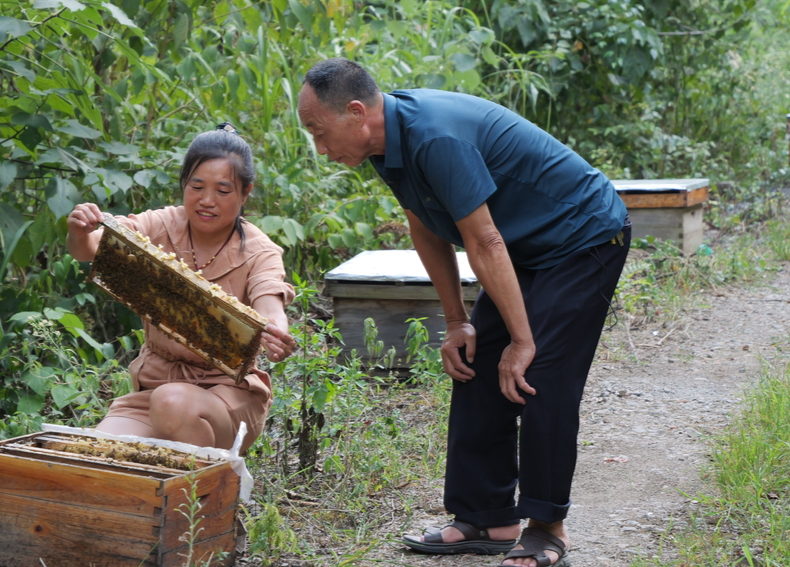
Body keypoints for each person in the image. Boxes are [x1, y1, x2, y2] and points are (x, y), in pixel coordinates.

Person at [297, 58, 631, 567]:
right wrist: (458, 322)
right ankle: (487, 517)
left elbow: (484, 239)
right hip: (527, 247)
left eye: (319, 133)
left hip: (582, 235)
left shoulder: (433, 138)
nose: (320, 149)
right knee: (476, 360)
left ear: (357, 112)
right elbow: (426, 228)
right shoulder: (387, 145)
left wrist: (522, 341)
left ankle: (546, 527)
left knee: (538, 372)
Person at [65, 125, 296, 453]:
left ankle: (207, 500)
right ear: (183, 184)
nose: (206, 201)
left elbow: (269, 301)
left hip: (226, 393)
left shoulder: (260, 249)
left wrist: (276, 331)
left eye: (223, 191)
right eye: (196, 186)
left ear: (245, 193)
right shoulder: (160, 224)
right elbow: (91, 248)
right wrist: (80, 229)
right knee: (97, 454)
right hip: (155, 386)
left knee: (172, 402)